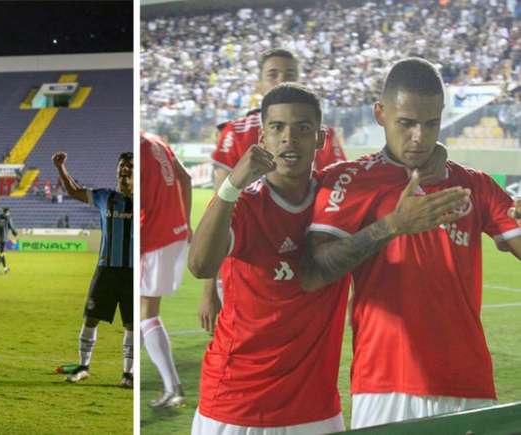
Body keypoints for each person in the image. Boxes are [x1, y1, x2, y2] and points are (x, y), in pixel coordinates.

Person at [187, 82, 460, 434]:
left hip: (314, 411)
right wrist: (230, 187)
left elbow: (400, 156)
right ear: (262, 137)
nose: (289, 138)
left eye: (303, 128)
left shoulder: (340, 192)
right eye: (277, 127)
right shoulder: (246, 204)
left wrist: (437, 151)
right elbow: (200, 265)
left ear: (320, 139)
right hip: (234, 404)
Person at [301, 57, 521, 428]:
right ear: (380, 113)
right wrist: (393, 225)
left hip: (470, 384)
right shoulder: (348, 181)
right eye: (406, 123)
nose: (420, 137)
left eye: (431, 123)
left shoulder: (475, 185)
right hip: (387, 384)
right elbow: (313, 273)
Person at [200, 48, 347, 333]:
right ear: (259, 83)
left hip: (309, 270)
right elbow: (218, 214)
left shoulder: (322, 135)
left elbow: (341, 197)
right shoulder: (237, 132)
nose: (281, 80)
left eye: (289, 74)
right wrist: (209, 291)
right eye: (273, 74)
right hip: (247, 269)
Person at [53, 151, 134, 388]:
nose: (124, 169)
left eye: (130, 166)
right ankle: (83, 367)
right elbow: (73, 190)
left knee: (130, 324)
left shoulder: (148, 200)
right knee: (91, 318)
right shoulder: (104, 197)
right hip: (106, 270)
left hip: (132, 272)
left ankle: (128, 374)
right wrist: (60, 168)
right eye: (121, 166)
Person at [140, 132, 192, 408]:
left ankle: (174, 388)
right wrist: (187, 224)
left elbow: (142, 205)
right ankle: (131, 367)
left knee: (148, 313)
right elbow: (187, 178)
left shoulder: (139, 153)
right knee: (141, 310)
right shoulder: (156, 141)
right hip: (175, 233)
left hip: (154, 239)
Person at [0, 208, 18, 274]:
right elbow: (11, 227)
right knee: (1, 254)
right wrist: (15, 233)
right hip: (4, 239)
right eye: (9, 212)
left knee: (1, 253)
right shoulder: (8, 218)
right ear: (7, 212)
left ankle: (5, 268)